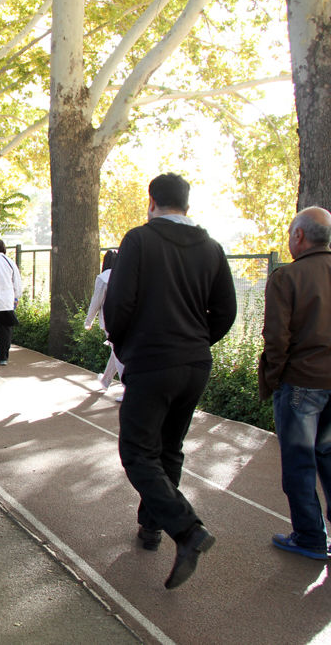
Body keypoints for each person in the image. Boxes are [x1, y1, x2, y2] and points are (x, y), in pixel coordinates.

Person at [104, 172, 236, 589]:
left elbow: (118, 305)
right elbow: (226, 311)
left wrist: (125, 346)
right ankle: (151, 527)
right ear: (187, 204)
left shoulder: (139, 240)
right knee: (169, 448)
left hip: (152, 360)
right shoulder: (212, 248)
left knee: (137, 451)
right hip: (194, 363)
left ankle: (187, 529)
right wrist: (196, 341)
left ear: (151, 202)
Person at [259, 206, 331, 561]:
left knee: (299, 463)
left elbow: (277, 337)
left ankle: (310, 536)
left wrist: (274, 379)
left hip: (302, 382)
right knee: (328, 457)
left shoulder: (287, 277)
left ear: (299, 236)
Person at [84, 250, 124, 395]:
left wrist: (88, 321)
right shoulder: (124, 275)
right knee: (116, 351)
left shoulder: (103, 278)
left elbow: (96, 301)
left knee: (118, 353)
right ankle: (106, 380)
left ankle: (127, 387)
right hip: (127, 319)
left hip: (110, 320)